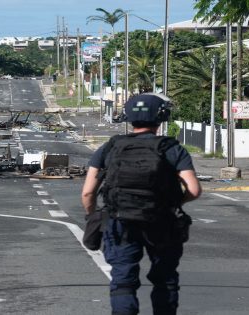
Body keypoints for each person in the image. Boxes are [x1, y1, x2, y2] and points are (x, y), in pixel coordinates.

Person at [81, 93, 202, 315]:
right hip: (162, 221)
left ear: (127, 116)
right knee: (165, 279)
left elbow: (88, 192)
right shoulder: (171, 148)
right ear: (161, 117)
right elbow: (194, 190)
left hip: (119, 222)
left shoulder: (111, 147)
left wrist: (92, 216)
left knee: (123, 280)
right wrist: (171, 203)